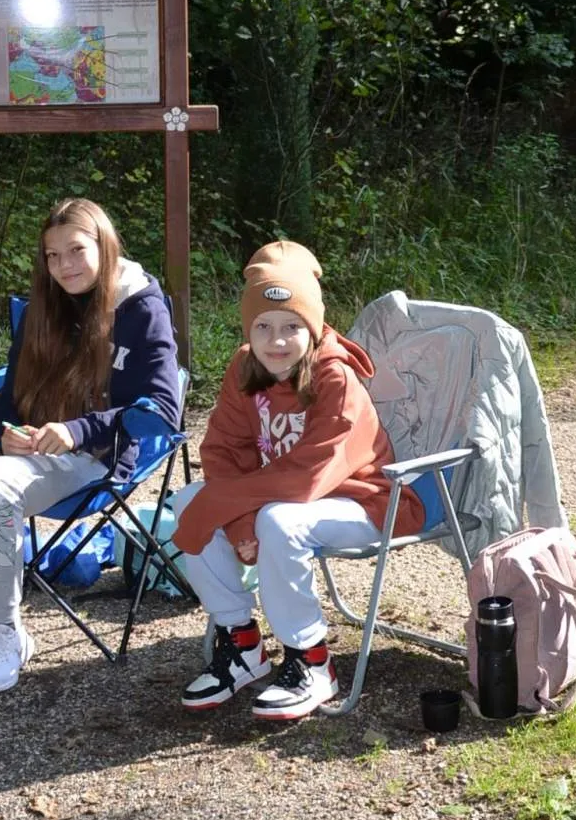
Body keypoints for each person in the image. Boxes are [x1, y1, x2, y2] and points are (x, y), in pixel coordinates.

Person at [0, 197, 181, 694]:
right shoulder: (43, 307)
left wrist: (78, 430)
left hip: (96, 460)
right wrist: (7, 433)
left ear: (103, 245)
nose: (64, 266)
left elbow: (164, 408)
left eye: (76, 250)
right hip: (28, 457)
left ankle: (8, 632)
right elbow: (9, 401)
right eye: (52, 256)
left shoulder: (141, 306)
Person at [171, 240, 424, 722]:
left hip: (367, 502)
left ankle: (312, 661)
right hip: (276, 500)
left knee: (279, 522)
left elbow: (310, 475)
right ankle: (241, 643)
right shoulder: (245, 369)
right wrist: (238, 518)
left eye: (292, 327)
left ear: (313, 327)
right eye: (263, 327)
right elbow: (223, 451)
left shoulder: (336, 380)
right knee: (188, 503)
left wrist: (241, 513)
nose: (277, 340)